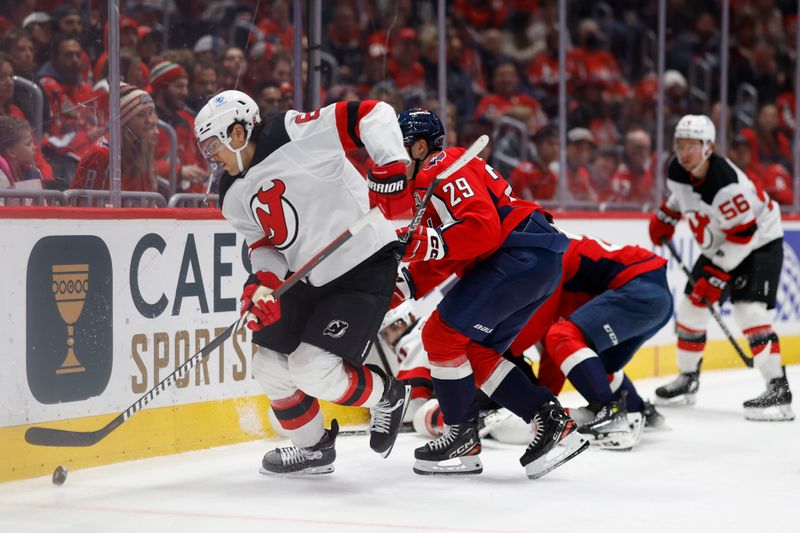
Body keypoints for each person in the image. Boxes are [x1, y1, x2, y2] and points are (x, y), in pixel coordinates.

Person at [194, 91, 411, 476]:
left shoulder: (291, 132)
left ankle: (388, 395)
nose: (212, 156)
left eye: (214, 145)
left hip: (363, 262)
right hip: (308, 277)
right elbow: (264, 246)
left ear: (239, 132)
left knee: (313, 369)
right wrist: (260, 286)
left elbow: (373, 113)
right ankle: (314, 449)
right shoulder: (230, 195)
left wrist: (392, 164)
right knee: (269, 366)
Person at [375, 107, 588, 479]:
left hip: (518, 254)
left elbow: (482, 230)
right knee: (474, 351)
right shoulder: (426, 184)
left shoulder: (443, 165)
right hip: (530, 260)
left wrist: (424, 240)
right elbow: (447, 252)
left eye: (398, 150)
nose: (390, 163)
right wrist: (392, 293)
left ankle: (461, 435)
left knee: (439, 336)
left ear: (421, 147)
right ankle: (550, 420)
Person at [648, 114, 793, 421]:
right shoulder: (677, 168)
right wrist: (668, 214)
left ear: (709, 146)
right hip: (724, 240)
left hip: (759, 242)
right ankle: (688, 379)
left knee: (749, 311)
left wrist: (715, 278)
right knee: (690, 307)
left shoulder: (726, 183)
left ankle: (778, 389)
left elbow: (744, 234)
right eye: (680, 145)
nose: (684, 153)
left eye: (692, 146)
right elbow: (682, 197)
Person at [506, 233, 672, 449]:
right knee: (592, 362)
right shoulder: (554, 253)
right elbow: (552, 352)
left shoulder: (547, 255)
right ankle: (635, 408)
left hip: (640, 287)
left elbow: (540, 331)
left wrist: (499, 360)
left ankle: (611, 413)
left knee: (561, 335)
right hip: (655, 296)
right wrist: (543, 405)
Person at [71, 84, 159, 192]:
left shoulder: (142, 147)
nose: (149, 120)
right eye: (140, 115)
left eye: (150, 114)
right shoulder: (102, 153)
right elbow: (86, 202)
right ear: (125, 120)